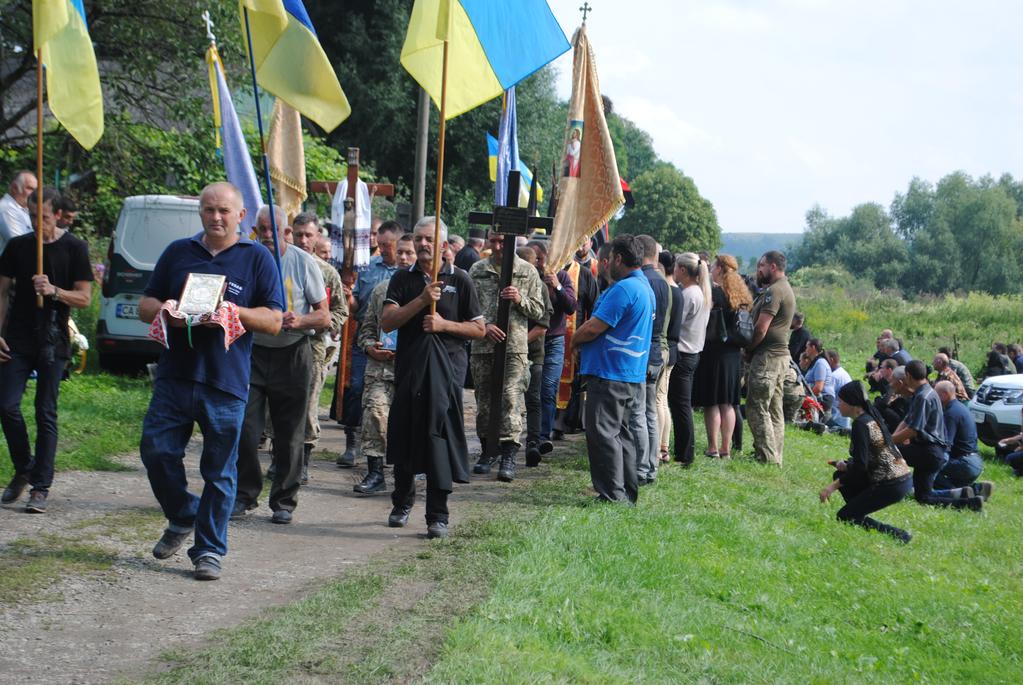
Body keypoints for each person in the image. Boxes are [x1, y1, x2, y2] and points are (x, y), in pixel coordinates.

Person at [137, 182, 283, 580]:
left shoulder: (257, 259)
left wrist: (233, 311)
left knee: (219, 470)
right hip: (175, 376)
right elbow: (144, 305)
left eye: (224, 211)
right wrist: (165, 308)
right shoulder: (178, 253)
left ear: (241, 217)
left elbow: (273, 320)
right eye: (208, 210)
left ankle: (209, 551)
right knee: (156, 451)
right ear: (200, 213)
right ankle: (184, 513)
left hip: (226, 382)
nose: (216, 217)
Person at [380, 216, 485, 538]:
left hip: (448, 374)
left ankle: (437, 514)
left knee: (438, 440)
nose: (424, 244)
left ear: (443, 245)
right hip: (411, 370)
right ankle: (401, 501)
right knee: (406, 434)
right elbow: (387, 322)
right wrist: (422, 301)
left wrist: (445, 325)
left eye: (430, 239)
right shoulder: (402, 278)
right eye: (420, 239)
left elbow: (479, 329)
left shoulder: (462, 279)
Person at [233, 206, 329, 525]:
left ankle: (284, 500)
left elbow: (324, 315)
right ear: (255, 232)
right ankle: (245, 494)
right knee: (246, 428)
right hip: (253, 352)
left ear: (287, 232)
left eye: (274, 230)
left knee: (290, 432)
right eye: (262, 230)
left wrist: (298, 320)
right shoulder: (247, 258)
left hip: (293, 352)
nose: (268, 236)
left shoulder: (304, 263)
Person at [0, 187, 93, 513]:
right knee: (6, 405)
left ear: (57, 214)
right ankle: (24, 466)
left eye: (43, 216)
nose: (37, 222)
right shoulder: (18, 246)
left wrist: (54, 290)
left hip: (54, 339)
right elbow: (2, 292)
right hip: (18, 337)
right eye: (32, 215)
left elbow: (84, 298)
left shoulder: (74, 248)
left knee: (45, 410)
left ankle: (41, 486)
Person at [572, 235, 653, 503]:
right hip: (629, 373)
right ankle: (626, 492)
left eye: (610, 260)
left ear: (618, 258)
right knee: (623, 436)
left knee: (603, 434)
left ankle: (611, 495)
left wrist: (573, 340)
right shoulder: (645, 287)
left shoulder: (625, 289)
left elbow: (595, 326)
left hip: (610, 373)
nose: (606, 266)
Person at [467, 229, 545, 481]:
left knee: (511, 398)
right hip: (482, 345)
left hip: (514, 346)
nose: (499, 246)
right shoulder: (477, 270)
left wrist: (520, 299)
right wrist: (483, 327)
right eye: (494, 241)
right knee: (485, 401)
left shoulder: (527, 270)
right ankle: (488, 451)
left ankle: (509, 452)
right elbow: (467, 308)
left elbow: (539, 311)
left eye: (504, 241)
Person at [353, 234, 417, 494]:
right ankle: (375, 471)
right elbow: (366, 330)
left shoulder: (429, 290)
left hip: (413, 368)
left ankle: (411, 475)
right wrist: (370, 347)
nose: (403, 258)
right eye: (400, 252)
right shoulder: (382, 290)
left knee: (414, 422)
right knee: (375, 412)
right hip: (382, 369)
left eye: (408, 253)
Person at [338, 220, 403, 467]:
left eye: (389, 245)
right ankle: (352, 443)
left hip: (397, 344)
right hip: (366, 337)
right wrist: (348, 297)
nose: (384, 249)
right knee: (356, 390)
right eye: (381, 245)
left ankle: (390, 446)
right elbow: (355, 306)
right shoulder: (367, 267)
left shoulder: (407, 273)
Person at [818, 381, 913, 543]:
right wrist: (847, 465)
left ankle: (899, 535)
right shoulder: (869, 418)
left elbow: (861, 466)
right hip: (902, 480)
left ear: (854, 404)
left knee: (845, 516)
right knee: (840, 473)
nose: (838, 405)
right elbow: (868, 459)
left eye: (841, 401)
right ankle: (857, 510)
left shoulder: (861, 425)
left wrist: (831, 487)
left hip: (892, 484)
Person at [292, 213, 348, 483]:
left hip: (311, 346)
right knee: (278, 405)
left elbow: (341, 310)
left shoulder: (326, 271)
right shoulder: (280, 264)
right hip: (278, 346)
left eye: (308, 235)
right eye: (298, 234)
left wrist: (326, 324)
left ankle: (303, 460)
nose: (303, 240)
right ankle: (281, 457)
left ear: (316, 238)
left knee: (307, 405)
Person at [891, 360, 983, 511]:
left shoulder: (923, 396)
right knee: (923, 497)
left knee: (888, 453)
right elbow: (906, 421)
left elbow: (913, 430)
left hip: (929, 451)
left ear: (908, 375)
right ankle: (970, 502)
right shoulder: (925, 392)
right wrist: (893, 438)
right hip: (930, 452)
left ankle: (879, 488)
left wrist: (888, 441)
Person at [694, 254, 751, 458]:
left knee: (712, 402)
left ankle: (713, 447)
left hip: (714, 351)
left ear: (719, 268)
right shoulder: (741, 294)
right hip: (734, 354)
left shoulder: (715, 293)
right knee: (728, 403)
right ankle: (726, 448)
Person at [745, 251, 796, 466]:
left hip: (768, 357)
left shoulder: (774, 292)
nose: (759, 270)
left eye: (762, 265)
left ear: (773, 266)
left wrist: (748, 349)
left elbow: (761, 328)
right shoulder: (785, 288)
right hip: (780, 357)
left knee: (757, 406)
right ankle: (775, 455)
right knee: (774, 409)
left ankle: (766, 457)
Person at [528, 240, 576, 456]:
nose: (538, 263)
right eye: (534, 259)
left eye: (540, 258)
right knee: (531, 390)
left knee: (548, 389)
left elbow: (571, 306)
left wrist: (556, 285)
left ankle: (543, 436)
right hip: (530, 338)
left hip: (553, 339)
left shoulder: (562, 276)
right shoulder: (527, 276)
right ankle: (530, 434)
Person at [668, 252, 711, 467]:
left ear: (683, 270)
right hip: (693, 353)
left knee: (680, 405)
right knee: (680, 404)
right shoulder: (700, 292)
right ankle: (683, 450)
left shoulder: (688, 295)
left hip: (684, 353)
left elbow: (677, 322)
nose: (673, 271)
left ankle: (685, 453)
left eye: (676, 268)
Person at [635, 235, 670, 481]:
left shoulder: (644, 280)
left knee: (640, 411)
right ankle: (651, 463)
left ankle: (642, 465)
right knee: (649, 411)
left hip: (645, 350)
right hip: (658, 350)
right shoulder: (664, 282)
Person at [518, 246, 553, 466]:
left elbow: (542, 326)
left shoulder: (540, 287)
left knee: (533, 399)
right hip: (509, 352)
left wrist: (518, 343)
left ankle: (533, 442)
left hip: (533, 353)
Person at [932, 380, 993, 500]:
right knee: (945, 476)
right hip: (975, 462)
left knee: (929, 471)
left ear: (944, 395)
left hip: (965, 464)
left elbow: (946, 445)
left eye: (936, 394)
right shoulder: (962, 408)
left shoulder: (950, 414)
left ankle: (959, 494)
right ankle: (976, 489)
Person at [658, 250, 683, 462]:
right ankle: (664, 445)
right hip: (674, 349)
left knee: (658, 400)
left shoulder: (666, 290)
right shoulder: (679, 291)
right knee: (663, 400)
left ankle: (659, 446)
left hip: (665, 348)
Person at [0, 171, 38, 256]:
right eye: (30, 188)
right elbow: (20, 245)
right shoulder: (6, 209)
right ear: (14, 187)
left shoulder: (24, 209)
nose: (35, 194)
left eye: (36, 190)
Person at [803, 339, 833, 421]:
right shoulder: (816, 362)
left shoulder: (820, 363)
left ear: (813, 347)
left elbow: (819, 387)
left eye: (807, 347)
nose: (805, 350)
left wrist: (804, 398)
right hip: (818, 398)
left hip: (823, 399)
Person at [824, 350, 853, 431]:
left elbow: (827, 398)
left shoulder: (834, 377)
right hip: (845, 418)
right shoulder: (843, 373)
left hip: (837, 419)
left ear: (831, 360)